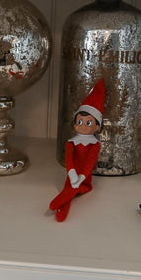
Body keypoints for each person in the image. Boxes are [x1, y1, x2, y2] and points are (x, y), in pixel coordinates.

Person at [49, 80, 104, 222]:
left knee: (72, 190)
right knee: (70, 187)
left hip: (85, 179)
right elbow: (68, 160)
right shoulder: (71, 143)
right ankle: (65, 199)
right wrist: (72, 175)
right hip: (71, 175)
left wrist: (81, 178)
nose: (83, 126)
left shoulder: (94, 144)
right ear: (75, 124)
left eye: (89, 123)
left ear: (97, 126)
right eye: (80, 122)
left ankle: (63, 200)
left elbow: (90, 163)